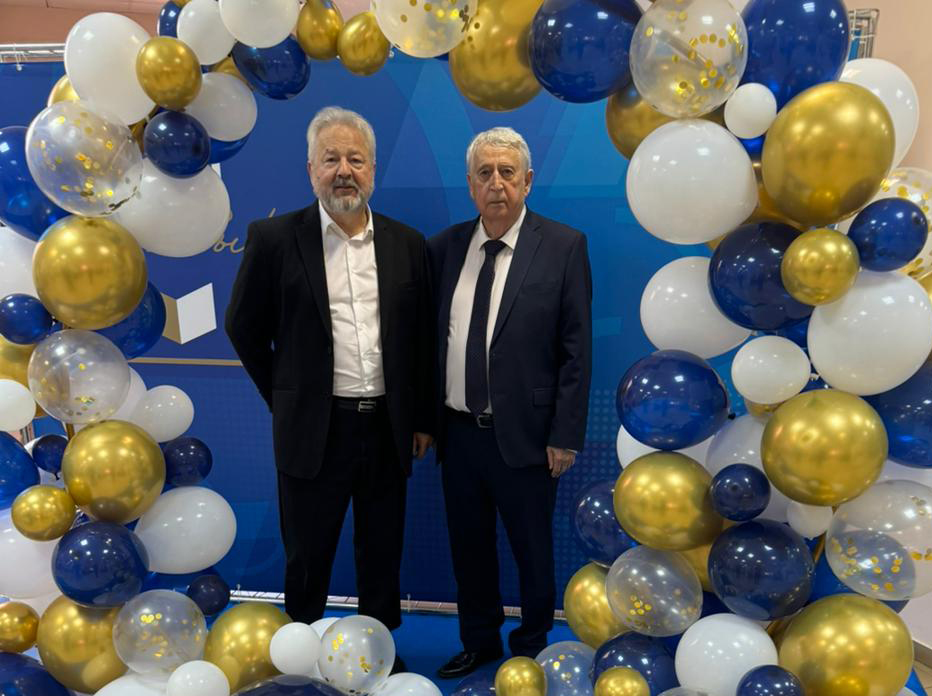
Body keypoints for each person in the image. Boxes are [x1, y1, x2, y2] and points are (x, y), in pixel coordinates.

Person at [225, 107, 434, 671]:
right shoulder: (274, 239)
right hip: (313, 428)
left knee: (381, 550)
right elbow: (243, 327)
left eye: (356, 159)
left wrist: (420, 417)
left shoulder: (407, 243)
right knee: (307, 553)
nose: (344, 171)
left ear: (373, 170)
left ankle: (378, 654)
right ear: (310, 169)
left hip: (386, 426)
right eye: (331, 159)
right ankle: (302, 657)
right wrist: (286, 397)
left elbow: (420, 340)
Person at [428, 127, 593, 677]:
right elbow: (431, 342)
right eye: (485, 173)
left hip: (529, 434)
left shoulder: (564, 245)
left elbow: (576, 349)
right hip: (458, 432)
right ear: (470, 184)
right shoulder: (444, 248)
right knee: (468, 547)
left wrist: (564, 434)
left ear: (527, 181)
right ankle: (479, 640)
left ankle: (532, 644)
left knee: (532, 549)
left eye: (506, 172)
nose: (496, 183)